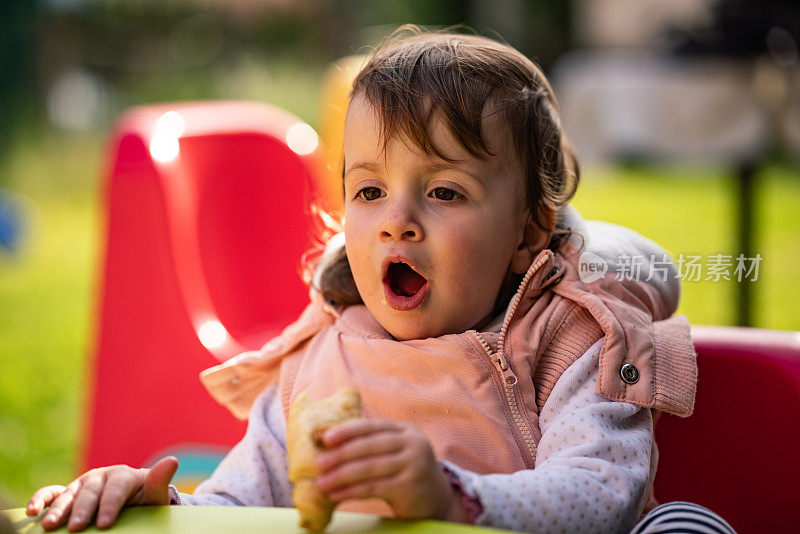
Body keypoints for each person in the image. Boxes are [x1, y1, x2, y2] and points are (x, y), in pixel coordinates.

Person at [26, 26, 730, 534]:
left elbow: (601, 492)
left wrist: (452, 499)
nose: (397, 222)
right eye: (368, 193)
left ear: (527, 234)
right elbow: (242, 508)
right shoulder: (321, 361)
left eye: (445, 192)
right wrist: (165, 508)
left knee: (679, 525)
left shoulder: (578, 335)